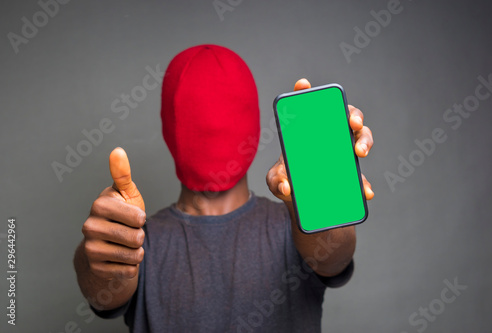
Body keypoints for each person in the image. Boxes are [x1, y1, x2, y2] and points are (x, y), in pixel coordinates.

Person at [73, 44, 374, 332]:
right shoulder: (136, 239)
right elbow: (102, 285)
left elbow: (334, 254)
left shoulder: (297, 224)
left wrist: (321, 191)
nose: (213, 127)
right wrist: (100, 254)